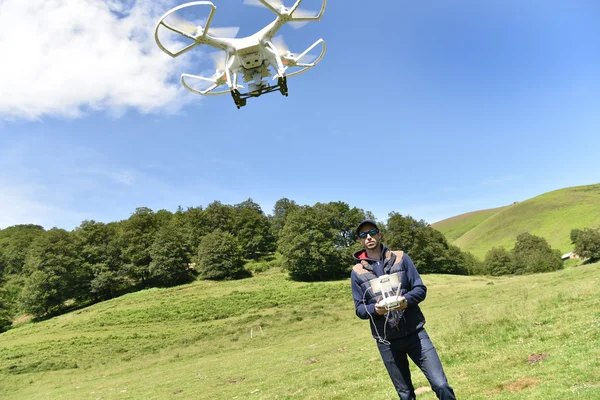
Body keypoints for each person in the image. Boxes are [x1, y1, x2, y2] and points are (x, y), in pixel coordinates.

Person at [350, 219, 456, 400]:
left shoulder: (400, 257)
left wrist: (406, 300)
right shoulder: (357, 272)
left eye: (372, 232)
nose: (368, 237)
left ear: (379, 234)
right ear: (360, 240)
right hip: (386, 342)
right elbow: (360, 309)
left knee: (441, 384)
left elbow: (420, 289)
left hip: (416, 334)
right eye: (363, 235)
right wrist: (375, 309)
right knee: (405, 395)